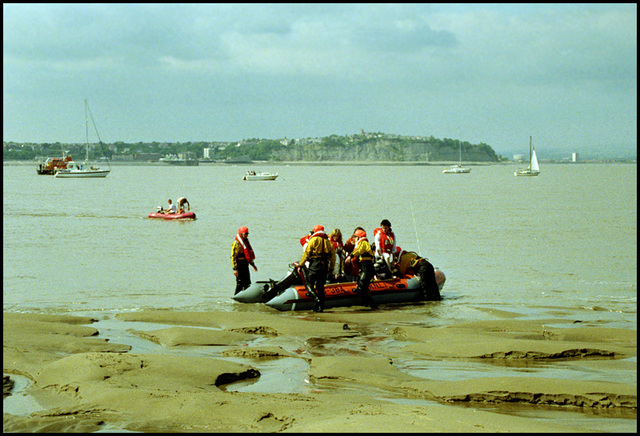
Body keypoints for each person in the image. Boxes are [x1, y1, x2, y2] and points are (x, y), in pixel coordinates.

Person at [299, 225, 335, 312]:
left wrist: (301, 265)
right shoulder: (329, 242)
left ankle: (317, 300)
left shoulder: (313, 240)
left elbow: (307, 253)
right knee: (320, 286)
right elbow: (333, 257)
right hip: (325, 265)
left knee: (308, 284)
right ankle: (320, 307)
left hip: (315, 264)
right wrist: (331, 268)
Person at [344, 229, 377, 310]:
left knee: (361, 289)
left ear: (358, 237)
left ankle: (373, 306)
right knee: (363, 289)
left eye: (355, 237)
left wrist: (351, 256)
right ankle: (366, 305)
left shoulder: (363, 243)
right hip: (364, 269)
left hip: (367, 269)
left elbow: (359, 251)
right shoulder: (360, 243)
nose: (353, 238)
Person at [231, 226, 258, 295]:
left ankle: (247, 297)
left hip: (245, 265)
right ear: (241, 234)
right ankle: (236, 297)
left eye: (247, 234)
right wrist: (235, 269)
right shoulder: (236, 244)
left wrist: (253, 265)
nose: (246, 235)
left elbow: (248, 255)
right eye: (245, 234)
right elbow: (233, 257)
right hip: (239, 265)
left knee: (247, 283)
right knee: (240, 283)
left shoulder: (246, 242)